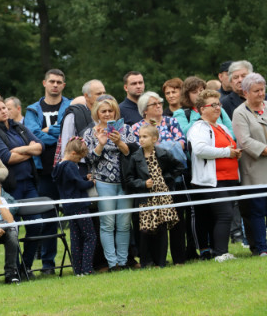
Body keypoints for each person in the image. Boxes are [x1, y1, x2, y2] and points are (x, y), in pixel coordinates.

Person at [0, 96, 45, 274]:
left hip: (30, 184)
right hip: (11, 187)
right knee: (13, 228)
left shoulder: (18, 127)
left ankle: (26, 266)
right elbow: (7, 158)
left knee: (37, 224)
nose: (4, 111)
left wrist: (21, 150)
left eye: (4, 108)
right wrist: (30, 151)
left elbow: (40, 146)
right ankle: (14, 269)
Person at [131, 91, 188, 264]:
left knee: (176, 219)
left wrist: (160, 149)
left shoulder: (171, 121)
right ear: (144, 110)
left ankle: (179, 258)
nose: (158, 106)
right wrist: (169, 146)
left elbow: (182, 145)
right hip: (149, 183)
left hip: (172, 180)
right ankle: (155, 260)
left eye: (159, 103)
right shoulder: (137, 127)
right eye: (154, 104)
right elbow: (139, 151)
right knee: (153, 223)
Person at [24, 68, 72, 273]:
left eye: (59, 82)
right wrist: (55, 134)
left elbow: (68, 131)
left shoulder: (71, 106)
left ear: (64, 85)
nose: (55, 85)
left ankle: (80, 259)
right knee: (48, 219)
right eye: (52, 81)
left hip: (67, 169)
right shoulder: (33, 110)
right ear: (44, 83)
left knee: (75, 214)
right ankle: (47, 264)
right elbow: (32, 135)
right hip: (43, 172)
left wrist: (47, 131)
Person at [83, 96, 137, 271]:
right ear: (97, 113)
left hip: (125, 182)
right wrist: (100, 144)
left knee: (124, 224)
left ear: (115, 112)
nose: (107, 114)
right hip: (103, 182)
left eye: (110, 111)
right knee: (107, 224)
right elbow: (89, 159)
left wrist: (119, 141)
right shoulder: (90, 133)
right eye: (103, 111)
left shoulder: (125, 129)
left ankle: (123, 261)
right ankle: (112, 263)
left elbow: (132, 153)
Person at [187, 89, 241, 262]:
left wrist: (235, 153)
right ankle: (220, 253)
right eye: (214, 105)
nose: (218, 108)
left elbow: (228, 148)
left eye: (219, 104)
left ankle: (221, 251)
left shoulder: (222, 127)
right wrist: (227, 152)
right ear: (202, 109)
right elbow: (200, 150)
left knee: (224, 215)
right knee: (225, 214)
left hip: (229, 178)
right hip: (212, 181)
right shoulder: (198, 128)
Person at [125, 125, 184, 267]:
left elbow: (179, 166)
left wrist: (166, 178)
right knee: (145, 229)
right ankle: (146, 261)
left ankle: (161, 261)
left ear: (154, 139)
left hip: (161, 196)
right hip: (145, 198)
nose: (141, 139)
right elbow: (129, 179)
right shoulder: (135, 157)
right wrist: (143, 184)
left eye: (145, 137)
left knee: (161, 229)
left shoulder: (163, 154)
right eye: (140, 137)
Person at [232, 73, 267, 257]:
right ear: (246, 93)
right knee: (257, 210)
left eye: (262, 89)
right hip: (254, 169)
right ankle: (262, 248)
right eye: (256, 91)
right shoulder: (240, 113)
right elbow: (244, 141)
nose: (261, 94)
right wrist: (265, 149)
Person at [52, 137, 97, 276]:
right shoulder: (70, 165)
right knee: (90, 236)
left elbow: (71, 182)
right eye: (79, 158)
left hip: (68, 206)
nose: (79, 161)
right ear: (73, 154)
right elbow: (79, 185)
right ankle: (87, 268)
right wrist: (91, 183)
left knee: (75, 239)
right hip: (79, 205)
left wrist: (83, 178)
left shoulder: (59, 166)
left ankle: (78, 270)